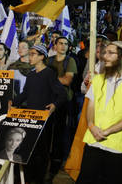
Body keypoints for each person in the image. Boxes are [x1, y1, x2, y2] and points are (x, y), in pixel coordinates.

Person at [77, 41, 122, 184]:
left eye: (111, 53)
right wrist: (91, 125)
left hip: (117, 146)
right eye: (105, 52)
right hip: (93, 140)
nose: (105, 56)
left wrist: (107, 132)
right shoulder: (98, 79)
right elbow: (91, 106)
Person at [9, 45, 67, 183]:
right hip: (30, 117)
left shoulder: (49, 74)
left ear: (42, 57)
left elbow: (62, 94)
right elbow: (25, 94)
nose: (30, 57)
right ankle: (28, 176)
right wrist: (13, 102)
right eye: (30, 54)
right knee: (30, 148)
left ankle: (40, 177)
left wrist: (54, 105)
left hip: (43, 118)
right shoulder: (31, 75)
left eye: (33, 54)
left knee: (42, 149)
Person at [46, 36, 78, 180]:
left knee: (60, 133)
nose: (63, 46)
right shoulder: (49, 60)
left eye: (66, 44)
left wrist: (50, 79)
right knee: (47, 133)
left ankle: (57, 163)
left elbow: (67, 80)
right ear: (55, 45)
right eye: (60, 43)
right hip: (49, 100)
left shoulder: (70, 61)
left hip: (64, 101)